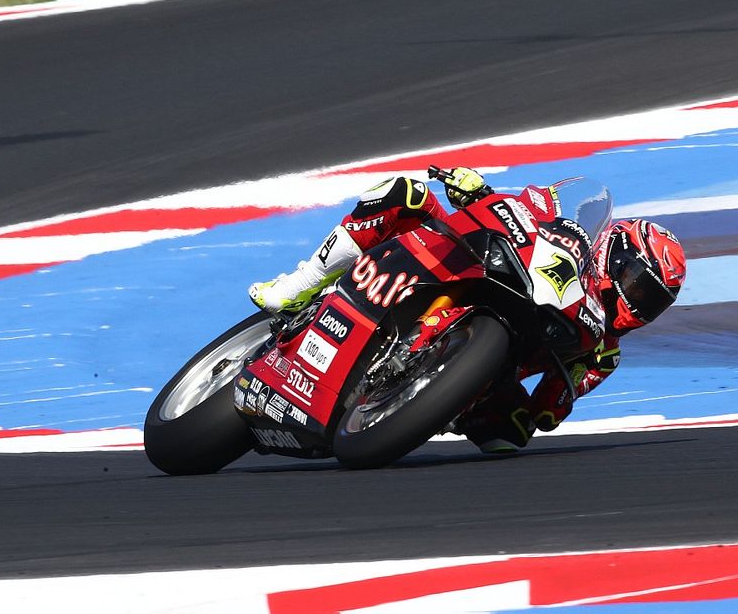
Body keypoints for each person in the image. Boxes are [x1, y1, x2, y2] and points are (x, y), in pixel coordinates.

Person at [248, 167, 687, 453]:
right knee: (405, 193)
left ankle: (424, 399)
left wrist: (553, 399)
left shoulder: (603, 352)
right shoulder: (568, 236)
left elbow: (548, 411)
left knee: (510, 437)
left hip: (491, 370)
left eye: (651, 301)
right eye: (638, 285)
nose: (638, 303)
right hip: (468, 268)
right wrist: (477, 191)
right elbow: (520, 209)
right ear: (616, 255)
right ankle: (296, 289)